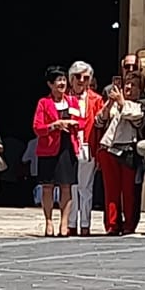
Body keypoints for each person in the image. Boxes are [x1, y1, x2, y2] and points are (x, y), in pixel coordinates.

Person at [95, 72, 145, 235]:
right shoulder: (113, 103)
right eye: (127, 84)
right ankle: (112, 224)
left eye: (133, 85)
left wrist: (121, 102)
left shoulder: (140, 105)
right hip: (108, 149)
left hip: (128, 151)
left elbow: (136, 118)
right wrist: (110, 104)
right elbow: (99, 121)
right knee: (111, 190)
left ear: (140, 90)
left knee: (129, 191)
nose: (128, 88)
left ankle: (129, 224)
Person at [31, 67, 78, 237]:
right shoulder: (44, 103)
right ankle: (49, 221)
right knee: (47, 187)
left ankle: (64, 223)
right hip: (48, 148)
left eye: (64, 79)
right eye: (58, 80)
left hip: (67, 147)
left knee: (66, 186)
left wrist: (74, 124)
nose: (62, 83)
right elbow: (37, 127)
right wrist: (53, 126)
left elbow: (80, 120)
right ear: (50, 84)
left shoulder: (72, 101)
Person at [62, 61, 103, 236]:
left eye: (85, 77)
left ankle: (85, 223)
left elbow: (101, 126)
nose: (81, 80)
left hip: (88, 145)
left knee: (86, 187)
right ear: (71, 79)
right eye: (77, 77)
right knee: (71, 186)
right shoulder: (63, 98)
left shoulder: (97, 99)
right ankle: (71, 223)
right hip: (69, 146)